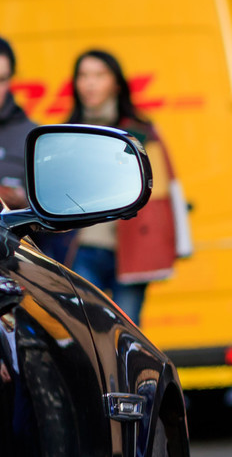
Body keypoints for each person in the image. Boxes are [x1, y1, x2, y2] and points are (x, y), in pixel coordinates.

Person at [65, 49, 180, 324]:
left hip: (131, 250)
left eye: (99, 75)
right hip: (81, 249)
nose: (90, 83)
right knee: (85, 334)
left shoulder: (141, 132)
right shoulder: (65, 133)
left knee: (126, 335)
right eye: (83, 75)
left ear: (116, 83)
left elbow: (162, 195)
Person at [0, 37, 34, 210]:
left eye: (1, 79)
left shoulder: (32, 135)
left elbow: (54, 208)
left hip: (12, 234)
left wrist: (26, 202)